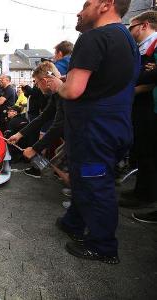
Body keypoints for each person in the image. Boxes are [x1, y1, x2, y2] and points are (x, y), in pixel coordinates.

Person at [52, 0, 139, 264]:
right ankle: (74, 222)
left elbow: (73, 90)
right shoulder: (127, 39)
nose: (79, 11)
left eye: (86, 4)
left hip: (94, 129)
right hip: (115, 125)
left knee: (96, 183)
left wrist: (57, 84)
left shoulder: (94, 38)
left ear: (106, 4)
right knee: (85, 178)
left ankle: (103, 246)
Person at [119, 10, 157, 210]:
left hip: (149, 107)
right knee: (142, 150)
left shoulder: (153, 45)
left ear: (144, 25)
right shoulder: (142, 48)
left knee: (148, 152)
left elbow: (149, 79)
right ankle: (141, 190)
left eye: (131, 26)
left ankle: (145, 195)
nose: (129, 30)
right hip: (140, 105)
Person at [8, 62, 65, 179]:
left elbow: (58, 126)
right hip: (75, 139)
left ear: (44, 81)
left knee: (65, 167)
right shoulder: (56, 95)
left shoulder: (63, 94)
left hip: (86, 139)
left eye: (37, 83)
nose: (37, 87)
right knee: (59, 165)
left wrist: (35, 149)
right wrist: (19, 134)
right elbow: (42, 117)